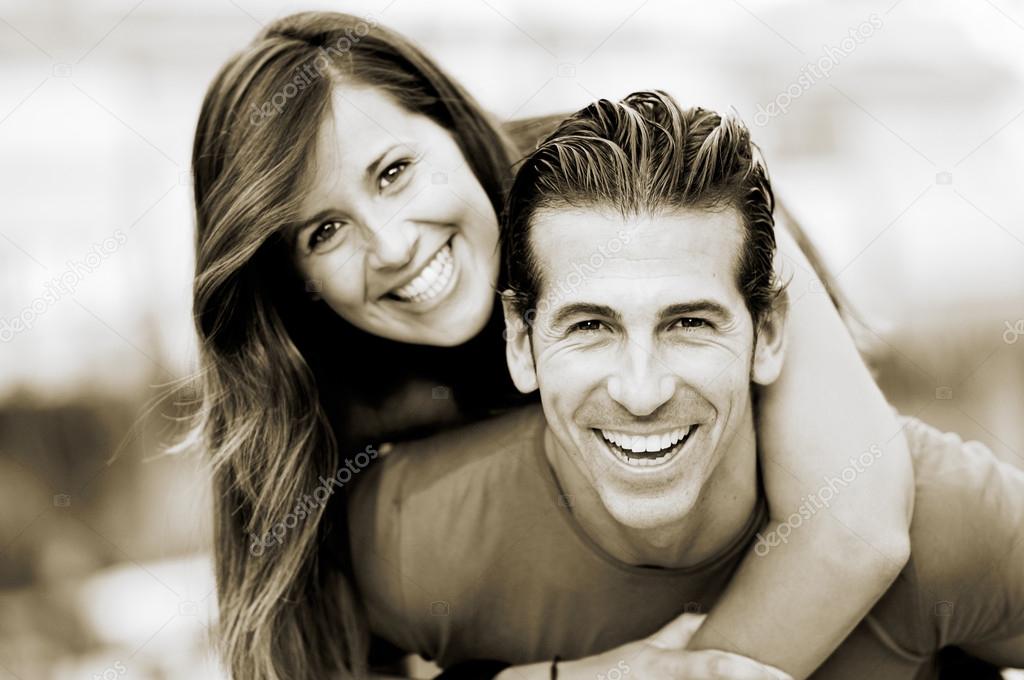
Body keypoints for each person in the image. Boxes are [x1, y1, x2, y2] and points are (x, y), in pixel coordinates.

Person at [187, 12, 913, 680]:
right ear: (294, 283)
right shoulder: (316, 393)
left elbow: (856, 526)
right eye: (325, 232)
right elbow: (309, 663)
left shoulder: (642, 192)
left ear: (453, 120)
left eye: (395, 172)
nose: (394, 245)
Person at [347, 91, 1024, 679]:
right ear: (522, 344)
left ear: (769, 333)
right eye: (589, 327)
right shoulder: (410, 537)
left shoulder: (943, 516)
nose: (642, 392)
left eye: (690, 322)